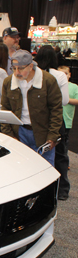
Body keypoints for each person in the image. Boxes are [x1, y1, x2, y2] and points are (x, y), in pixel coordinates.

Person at [0, 50, 62, 166]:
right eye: (14, 68)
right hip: (19, 132)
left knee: (44, 169)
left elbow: (56, 110)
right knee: (20, 168)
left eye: (21, 68)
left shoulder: (48, 81)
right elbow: (5, 109)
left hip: (42, 133)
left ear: (31, 66)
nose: (16, 72)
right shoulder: (8, 82)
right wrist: (9, 135)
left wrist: (52, 136)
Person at [55, 66, 78, 200]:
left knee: (63, 149)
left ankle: (63, 188)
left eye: (65, 73)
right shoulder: (55, 84)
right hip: (57, 121)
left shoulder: (74, 87)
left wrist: (67, 99)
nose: (63, 75)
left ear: (69, 75)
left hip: (66, 122)